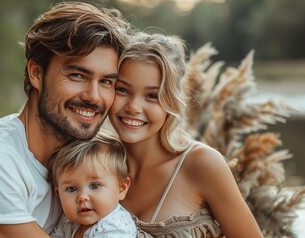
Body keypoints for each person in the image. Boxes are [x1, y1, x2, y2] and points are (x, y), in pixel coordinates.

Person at [0, 1, 130, 238]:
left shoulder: (87, 162)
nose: (94, 96)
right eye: (77, 75)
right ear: (36, 73)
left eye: (106, 82)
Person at [108, 32, 264, 237]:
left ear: (172, 100)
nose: (134, 107)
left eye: (152, 96)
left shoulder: (202, 164)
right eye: (122, 90)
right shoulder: (95, 160)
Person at [48, 130, 136, 238]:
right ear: (58, 193)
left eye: (95, 186)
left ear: (121, 188)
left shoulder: (116, 227)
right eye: (71, 189)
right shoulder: (68, 220)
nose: (82, 197)